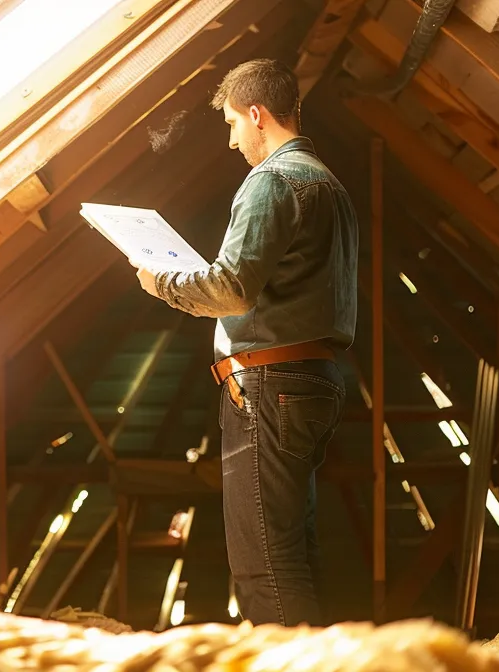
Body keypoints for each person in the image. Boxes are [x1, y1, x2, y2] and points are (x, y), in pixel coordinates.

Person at [135, 58, 357, 626]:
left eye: (234, 123)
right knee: (293, 550)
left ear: (257, 114)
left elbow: (232, 288)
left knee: (264, 562)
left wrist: (161, 282)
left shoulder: (272, 181)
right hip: (313, 380)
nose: (233, 140)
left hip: (268, 383)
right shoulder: (328, 183)